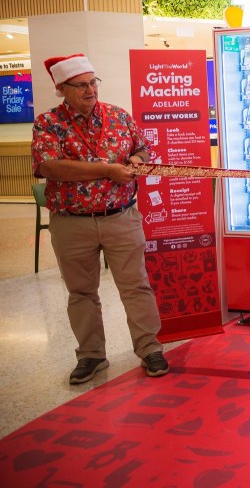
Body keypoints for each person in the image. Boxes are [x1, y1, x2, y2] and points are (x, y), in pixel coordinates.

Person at [31, 54, 169, 385]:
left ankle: (150, 349)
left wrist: (136, 159)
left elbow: (144, 148)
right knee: (81, 292)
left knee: (136, 285)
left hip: (121, 217)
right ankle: (91, 355)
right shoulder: (48, 123)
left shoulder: (119, 116)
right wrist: (108, 170)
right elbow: (50, 166)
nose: (90, 90)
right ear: (62, 88)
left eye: (93, 82)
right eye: (81, 85)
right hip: (71, 222)